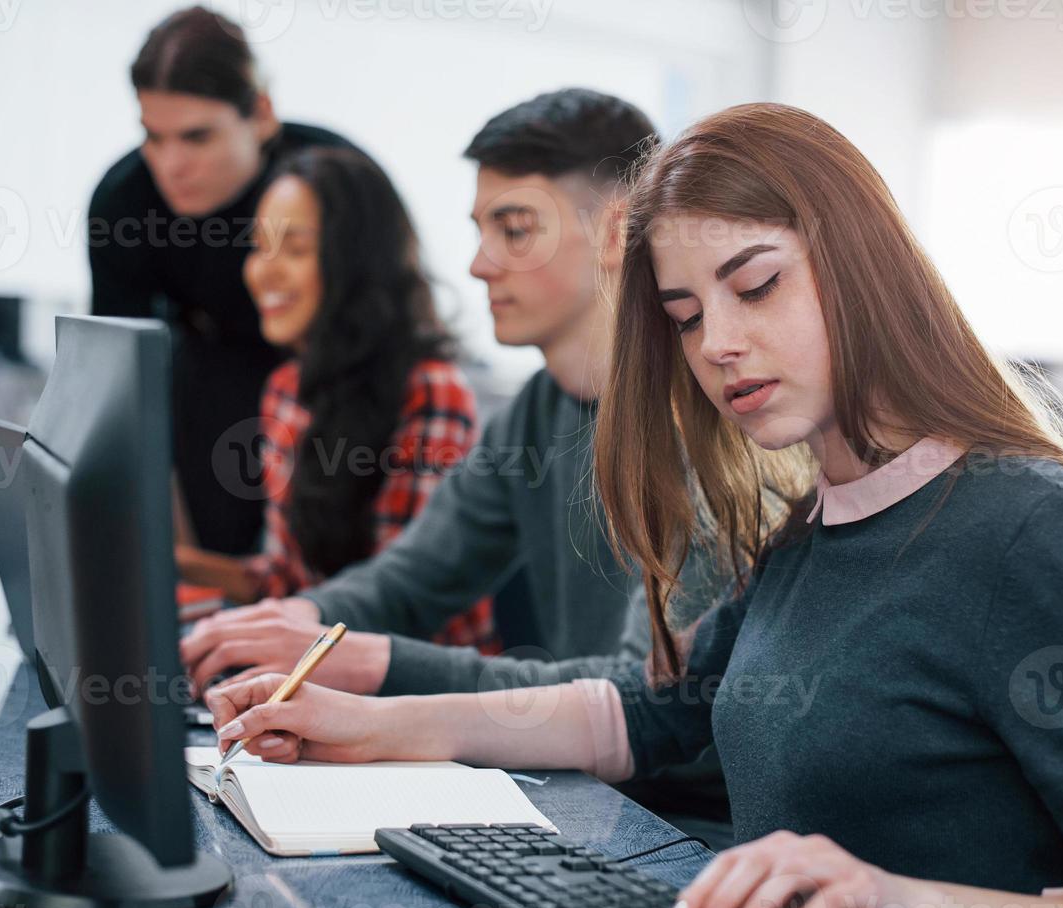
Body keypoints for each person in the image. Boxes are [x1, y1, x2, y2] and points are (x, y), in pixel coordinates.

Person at [202, 104, 1063, 908]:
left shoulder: (1029, 525)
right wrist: (368, 724)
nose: (718, 344)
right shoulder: (820, 520)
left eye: (757, 284)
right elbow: (650, 711)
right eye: (688, 316)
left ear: (863, 264)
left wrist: (884, 898)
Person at [180, 89, 731, 833]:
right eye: (481, 231)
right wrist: (300, 622)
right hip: (575, 790)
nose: (477, 266)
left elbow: (640, 699)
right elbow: (415, 577)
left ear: (617, 231)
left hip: (679, 822)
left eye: (514, 230)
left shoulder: (705, 418)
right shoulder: (540, 407)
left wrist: (369, 665)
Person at [173, 148, 494, 650]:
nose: (262, 272)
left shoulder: (431, 390)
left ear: (355, 263)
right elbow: (291, 582)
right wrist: (180, 564)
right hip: (318, 662)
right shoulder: (286, 389)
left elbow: (401, 607)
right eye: (259, 247)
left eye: (296, 250)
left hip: (422, 693)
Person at [89, 6, 371, 555]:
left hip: (344, 374)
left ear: (261, 115)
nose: (170, 165)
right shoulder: (124, 201)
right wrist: (180, 558)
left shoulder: (331, 176)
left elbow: (391, 320)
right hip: (209, 370)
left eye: (196, 137)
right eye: (153, 137)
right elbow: (120, 387)